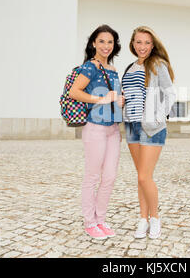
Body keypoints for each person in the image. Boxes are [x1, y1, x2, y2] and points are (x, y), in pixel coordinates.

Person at [69, 24, 125, 239]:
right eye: (101, 41)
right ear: (93, 43)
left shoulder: (112, 69)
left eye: (110, 42)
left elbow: (113, 98)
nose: (106, 46)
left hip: (113, 130)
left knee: (109, 177)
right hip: (95, 129)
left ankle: (100, 219)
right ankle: (89, 222)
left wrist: (119, 100)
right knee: (92, 177)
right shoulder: (90, 67)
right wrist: (101, 99)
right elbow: (75, 91)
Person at [121, 26, 176, 239]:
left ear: (153, 45)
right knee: (141, 177)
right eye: (138, 42)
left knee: (145, 177)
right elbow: (129, 93)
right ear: (132, 44)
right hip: (131, 126)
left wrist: (158, 116)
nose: (142, 46)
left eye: (147, 42)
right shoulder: (130, 67)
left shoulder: (158, 65)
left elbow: (170, 94)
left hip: (151, 128)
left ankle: (155, 219)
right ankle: (142, 219)